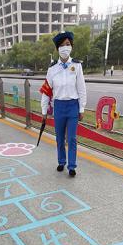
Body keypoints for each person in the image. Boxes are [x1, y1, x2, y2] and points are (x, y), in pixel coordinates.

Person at [41, 31, 87, 177]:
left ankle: (72, 166)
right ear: (57, 49)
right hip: (59, 106)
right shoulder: (52, 68)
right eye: (61, 45)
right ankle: (61, 161)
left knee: (72, 138)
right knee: (59, 137)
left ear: (71, 46)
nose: (65, 47)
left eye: (67, 44)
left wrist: (82, 108)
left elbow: (81, 88)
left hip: (73, 106)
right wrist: (43, 111)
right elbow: (47, 91)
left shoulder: (77, 66)